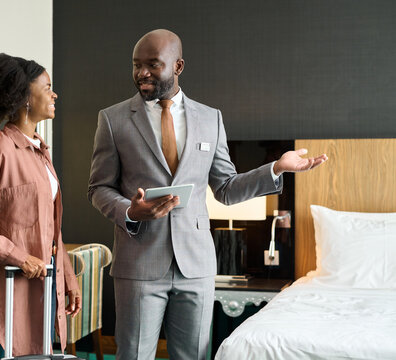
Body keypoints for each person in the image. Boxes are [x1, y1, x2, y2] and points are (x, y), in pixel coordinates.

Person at [87, 29, 327, 360]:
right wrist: (130, 211)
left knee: (193, 355)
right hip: (139, 262)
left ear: (178, 66)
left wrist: (275, 169)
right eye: (136, 65)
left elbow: (226, 188)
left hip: (196, 265)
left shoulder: (210, 119)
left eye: (153, 65)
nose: (141, 73)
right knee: (133, 355)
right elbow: (99, 188)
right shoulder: (113, 120)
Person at [0, 53, 81, 360]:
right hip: (7, 289)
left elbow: (50, 229)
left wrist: (68, 278)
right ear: (23, 97)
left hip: (43, 285)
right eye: (47, 86)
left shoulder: (40, 152)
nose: (54, 93)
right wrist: (19, 257)